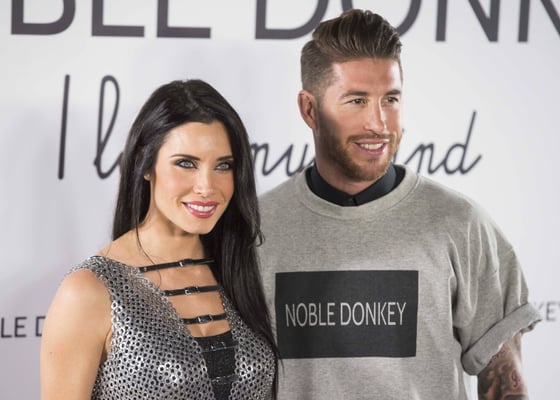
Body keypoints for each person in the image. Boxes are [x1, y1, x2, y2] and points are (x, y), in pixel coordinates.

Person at [257, 9, 541, 400]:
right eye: (357, 101)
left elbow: (507, 387)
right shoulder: (257, 229)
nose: (379, 123)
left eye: (390, 99)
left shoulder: (462, 225)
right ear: (309, 109)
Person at [40, 79, 278, 399]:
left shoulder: (238, 270)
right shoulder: (89, 290)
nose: (207, 187)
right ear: (145, 163)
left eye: (223, 166)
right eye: (186, 163)